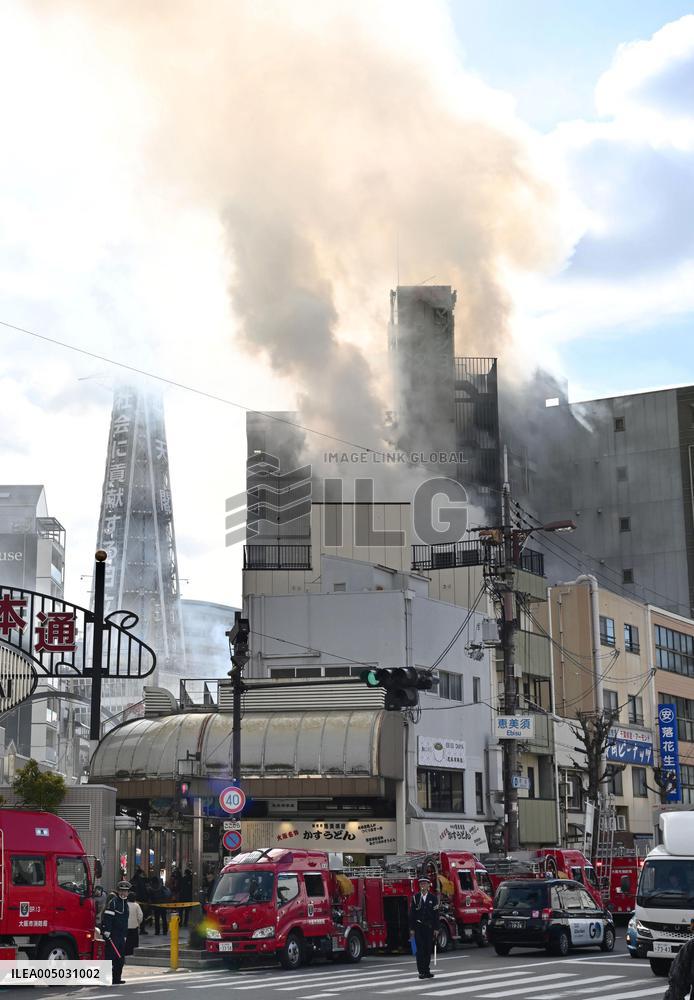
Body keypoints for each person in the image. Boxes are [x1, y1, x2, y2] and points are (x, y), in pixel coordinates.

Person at [409, 875, 438, 981]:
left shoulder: (433, 898)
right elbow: (412, 914)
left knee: (427, 949)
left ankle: (427, 970)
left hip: (429, 927)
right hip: (418, 927)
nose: (423, 885)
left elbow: (436, 915)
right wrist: (412, 928)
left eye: (425, 883)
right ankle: (421, 972)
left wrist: (436, 929)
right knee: (420, 950)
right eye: (421, 884)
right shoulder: (416, 898)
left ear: (428, 885)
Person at [102, 880, 130, 985]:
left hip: (121, 936)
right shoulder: (113, 902)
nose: (123, 893)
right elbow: (108, 917)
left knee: (120, 958)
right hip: (112, 935)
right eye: (121, 891)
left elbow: (125, 922)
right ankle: (106, 978)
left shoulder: (126, 904)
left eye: (125, 891)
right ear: (118, 891)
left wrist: (125, 935)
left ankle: (117, 978)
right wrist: (107, 931)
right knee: (110, 957)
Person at [125, 891, 143, 957]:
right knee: (134, 941)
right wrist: (138, 923)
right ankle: (133, 953)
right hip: (134, 926)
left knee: (127, 941)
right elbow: (140, 916)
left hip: (126, 926)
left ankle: (126, 952)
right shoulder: (136, 905)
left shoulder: (125, 904)